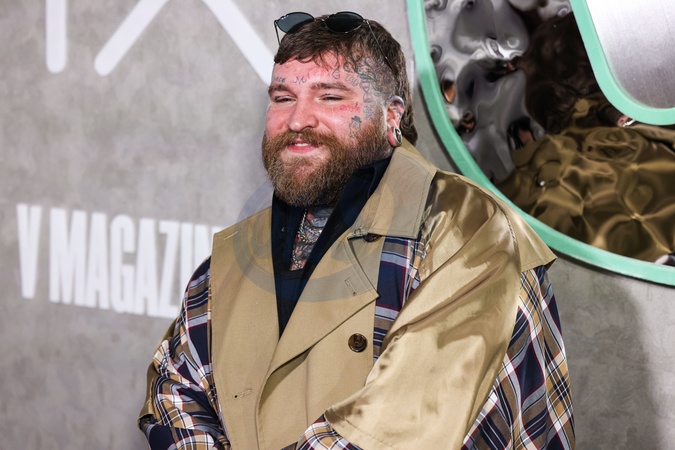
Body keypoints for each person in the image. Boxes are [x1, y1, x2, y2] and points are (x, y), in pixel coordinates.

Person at [139, 11, 575, 449]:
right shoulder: (236, 253)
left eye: (329, 97)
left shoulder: (468, 231)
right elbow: (175, 390)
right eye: (283, 97)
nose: (297, 119)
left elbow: (398, 427)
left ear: (392, 117)